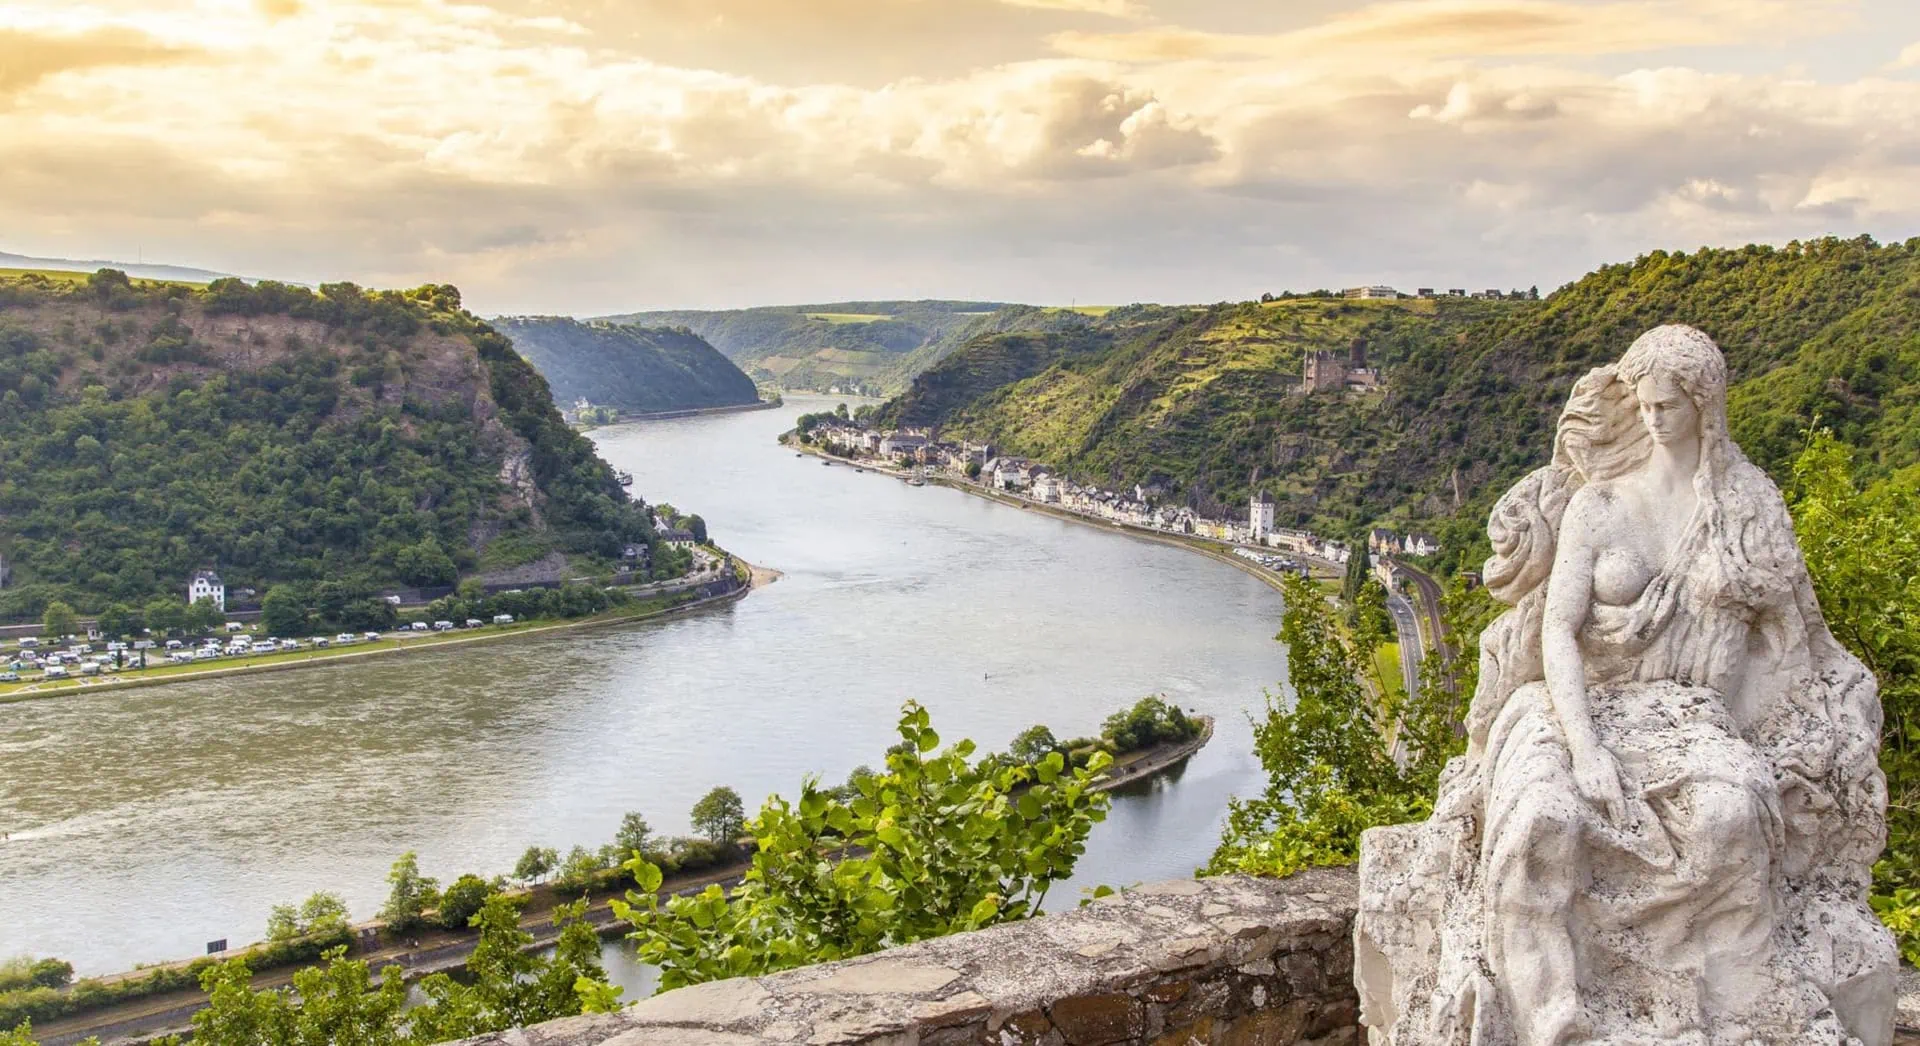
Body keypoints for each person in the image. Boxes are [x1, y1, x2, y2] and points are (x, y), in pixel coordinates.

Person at [1359, 327, 1894, 1045]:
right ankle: (1552, 1018)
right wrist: (1586, 750)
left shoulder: (1745, 509)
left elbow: (1793, 640)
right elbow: (1557, 632)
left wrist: (1785, 733)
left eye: (1668, 405)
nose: (1653, 419)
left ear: (1704, 405)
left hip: (1691, 717)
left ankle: (1708, 1008)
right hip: (1575, 706)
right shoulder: (1601, 505)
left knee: (1730, 814)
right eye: (1643, 405)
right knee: (1542, 817)